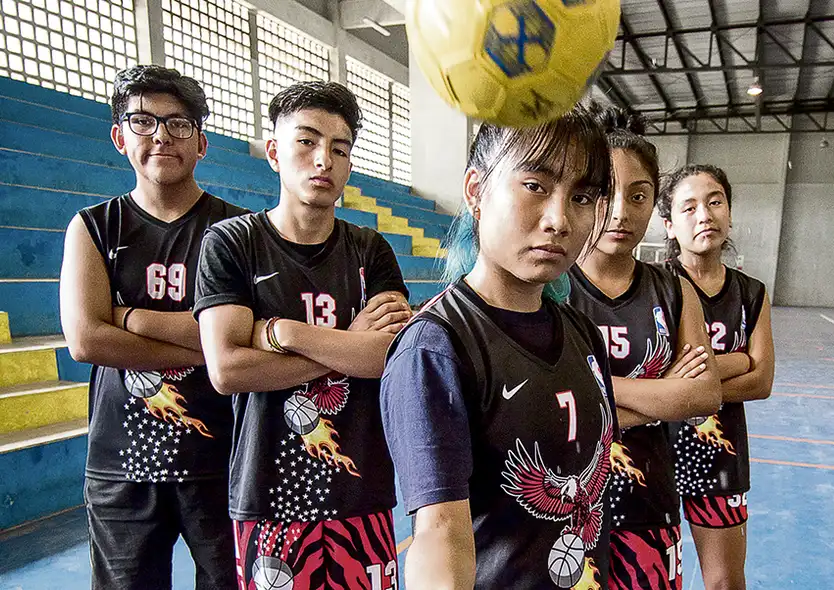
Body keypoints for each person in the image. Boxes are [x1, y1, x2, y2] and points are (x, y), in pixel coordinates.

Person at [380, 105, 620, 589]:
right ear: (476, 191)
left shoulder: (582, 333)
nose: (559, 219)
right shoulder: (435, 347)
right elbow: (439, 532)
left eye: (582, 196)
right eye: (535, 185)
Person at [193, 81, 411, 589]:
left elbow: (386, 357)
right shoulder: (231, 243)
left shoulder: (370, 250)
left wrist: (284, 332)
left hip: (362, 491)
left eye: (340, 149)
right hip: (269, 495)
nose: (324, 161)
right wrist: (346, 345)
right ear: (274, 151)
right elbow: (227, 370)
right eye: (306, 142)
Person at [60, 65, 245, 589]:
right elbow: (86, 340)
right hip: (122, 466)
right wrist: (210, 344)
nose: (161, 135)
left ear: (202, 141)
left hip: (222, 458)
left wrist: (130, 317)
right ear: (120, 137)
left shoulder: (235, 233)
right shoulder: (94, 227)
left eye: (179, 123)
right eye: (143, 121)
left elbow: (243, 336)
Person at [568, 106, 722, 590]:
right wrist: (659, 395)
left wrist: (584, 393)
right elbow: (536, 407)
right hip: (565, 513)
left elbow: (702, 397)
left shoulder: (676, 292)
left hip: (650, 508)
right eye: (607, 194)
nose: (620, 212)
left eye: (638, 196)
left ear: (654, 205)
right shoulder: (550, 288)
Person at [660, 164, 775, 590]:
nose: (704, 215)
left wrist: (688, 384)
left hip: (721, 457)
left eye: (714, 202)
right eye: (688, 208)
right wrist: (738, 359)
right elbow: (655, 372)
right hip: (653, 452)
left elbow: (762, 381)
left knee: (725, 582)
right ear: (670, 226)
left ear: (729, 213)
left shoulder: (752, 293)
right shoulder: (656, 288)